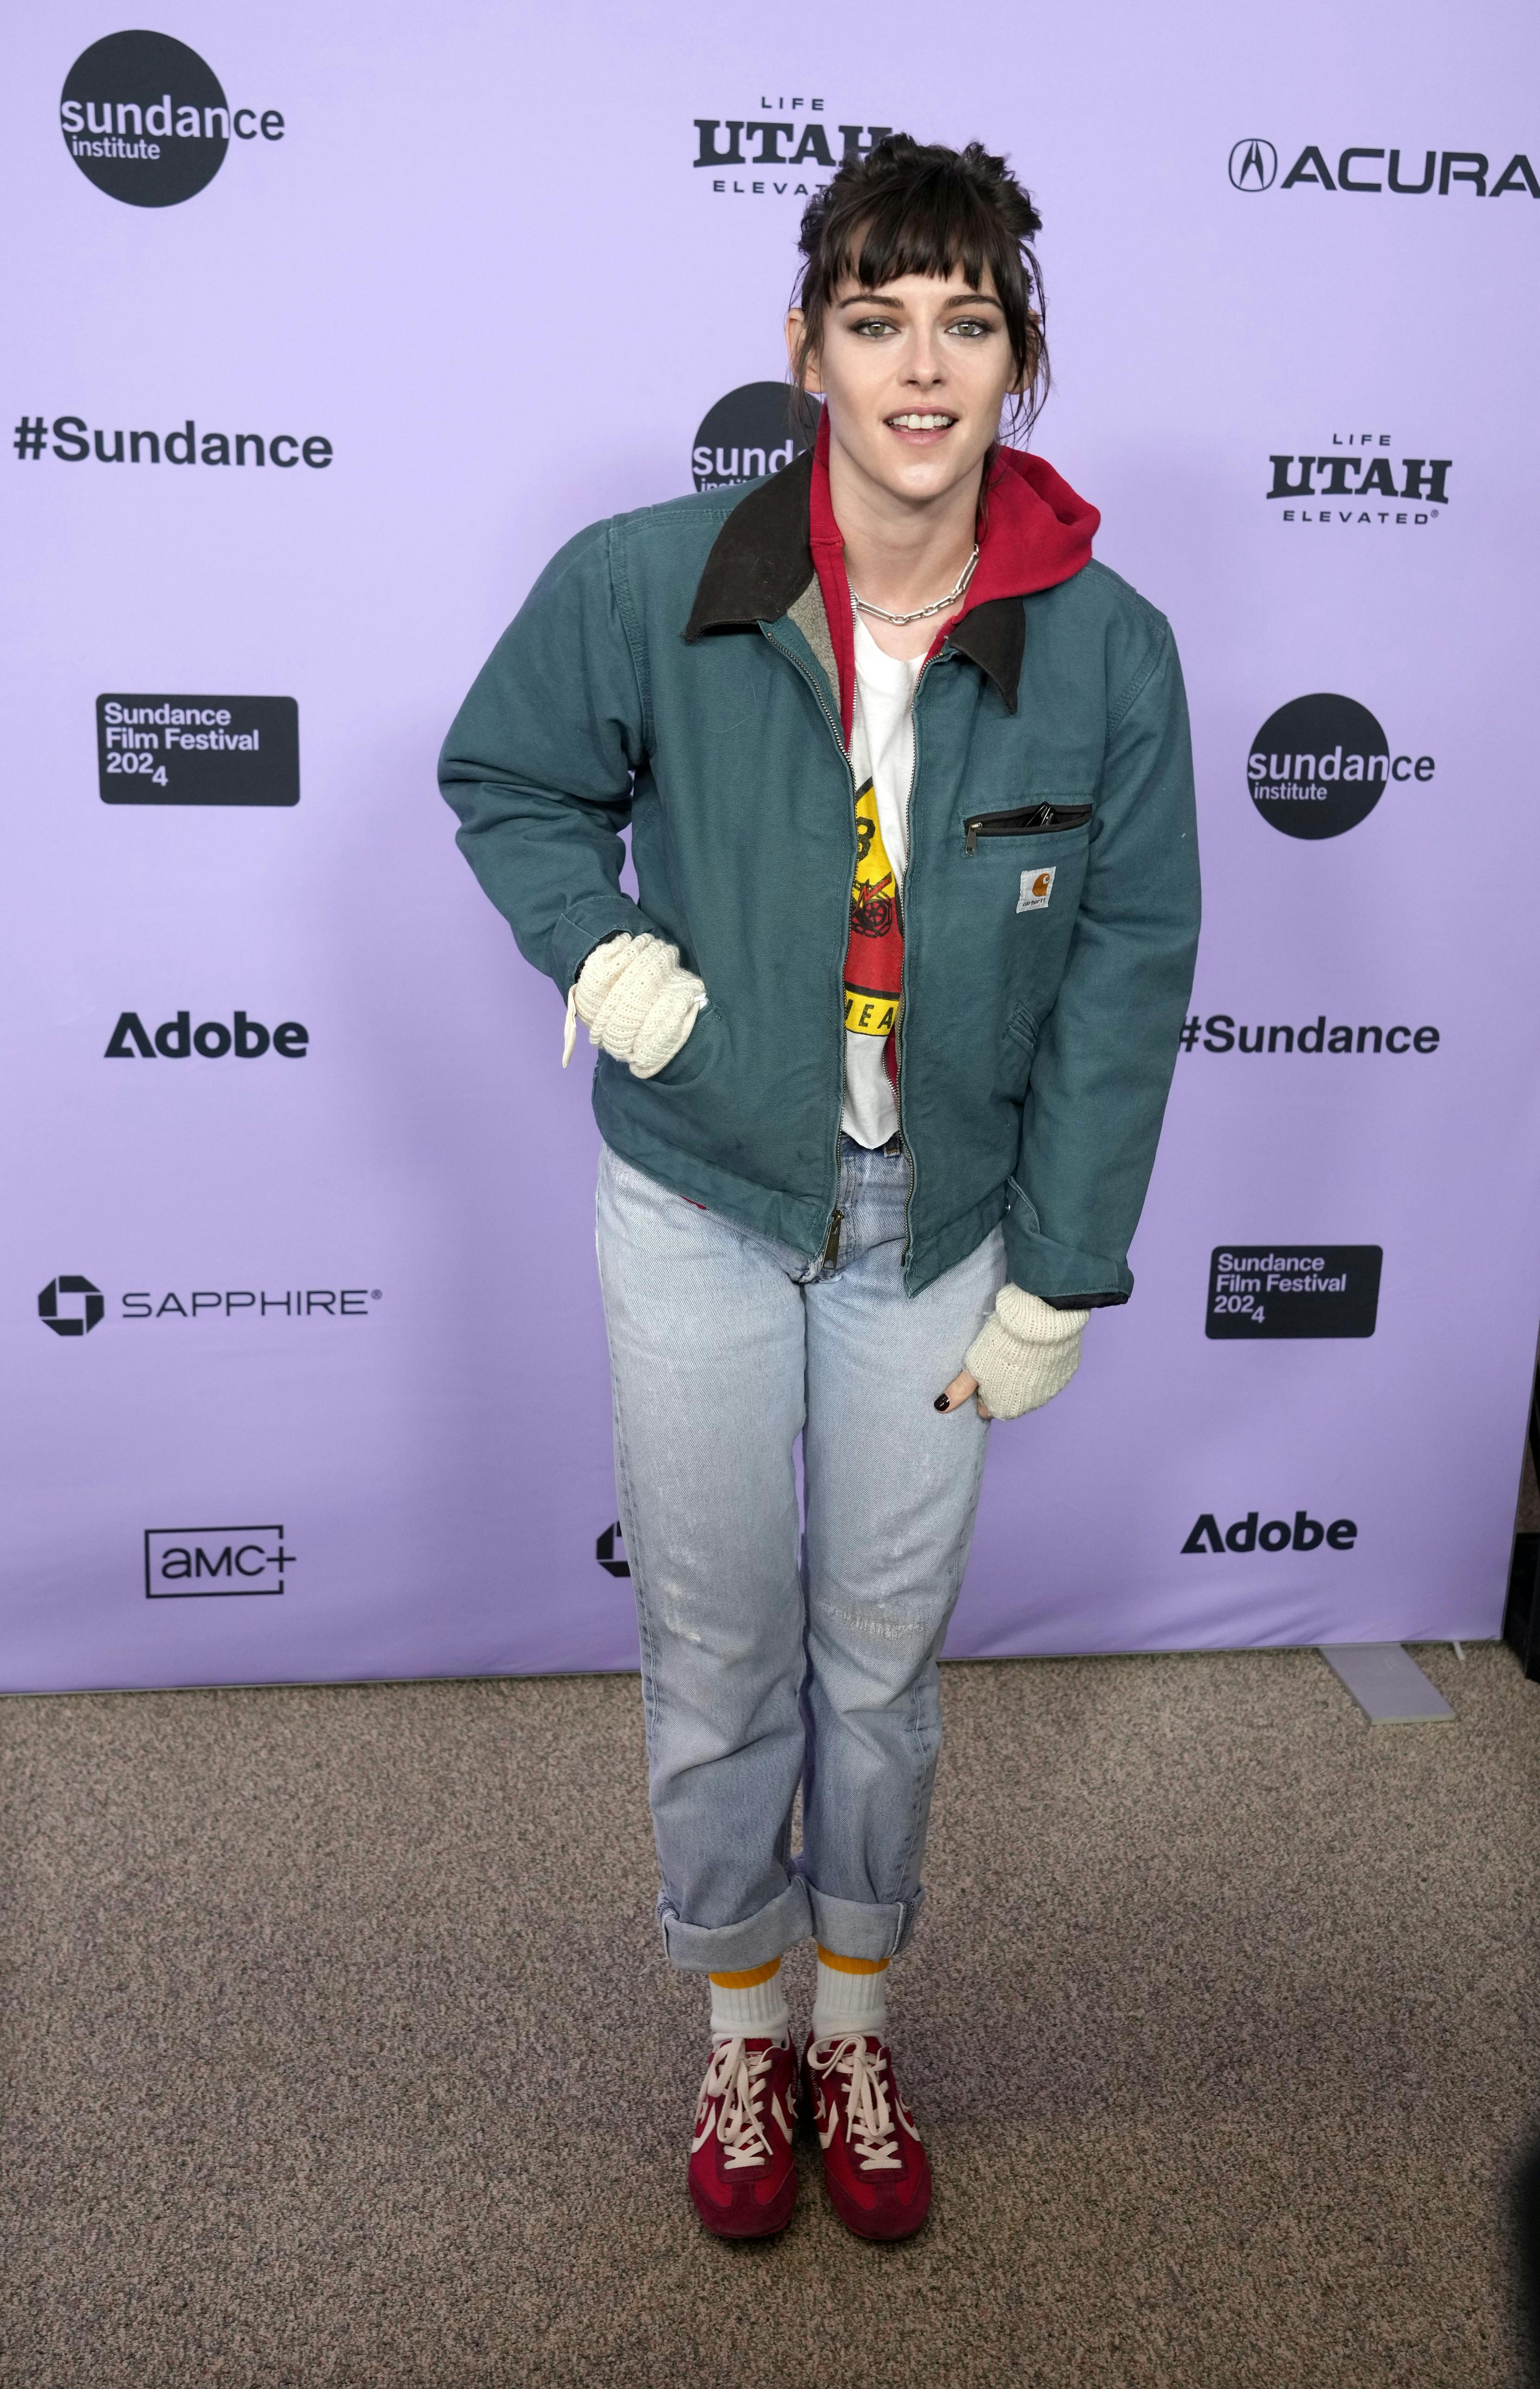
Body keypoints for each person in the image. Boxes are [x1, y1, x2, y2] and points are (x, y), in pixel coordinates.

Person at [440, 135, 1199, 2243]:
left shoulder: (1102, 644)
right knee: (711, 1648)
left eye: (966, 323)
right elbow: (503, 778)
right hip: (695, 1188)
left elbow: (1127, 978)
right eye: (878, 321)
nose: (922, 366)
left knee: (877, 1656)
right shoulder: (652, 577)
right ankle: (742, 2029)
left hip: (932, 1233)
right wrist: (606, 961)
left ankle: (853, 2017)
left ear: (1015, 357)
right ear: (805, 349)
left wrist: (1057, 1272)